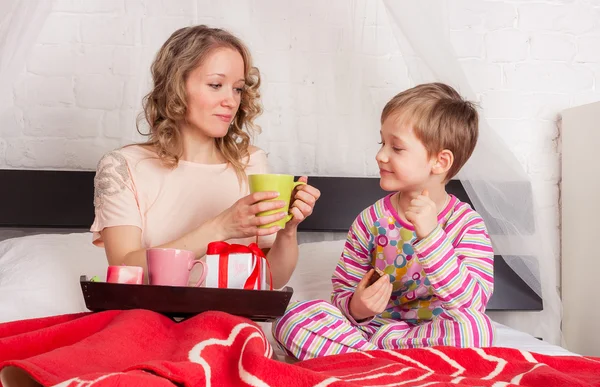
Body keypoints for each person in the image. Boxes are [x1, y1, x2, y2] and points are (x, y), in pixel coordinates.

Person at [273, 82, 494, 361]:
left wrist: (432, 238)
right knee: (291, 317)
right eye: (382, 143)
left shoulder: (467, 225)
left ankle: (370, 363)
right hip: (371, 334)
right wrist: (357, 307)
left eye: (397, 148)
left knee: (476, 329)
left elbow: (471, 304)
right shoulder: (371, 220)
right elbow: (343, 291)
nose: (381, 155)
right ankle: (379, 360)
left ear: (440, 161)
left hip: (432, 336)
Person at [91, 25, 320, 289]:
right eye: (215, 85)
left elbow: (271, 280)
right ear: (176, 86)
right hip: (149, 316)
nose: (231, 101)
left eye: (237, 89)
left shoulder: (251, 163)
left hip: (228, 320)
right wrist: (221, 227)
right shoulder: (123, 166)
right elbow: (124, 268)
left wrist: (288, 232)